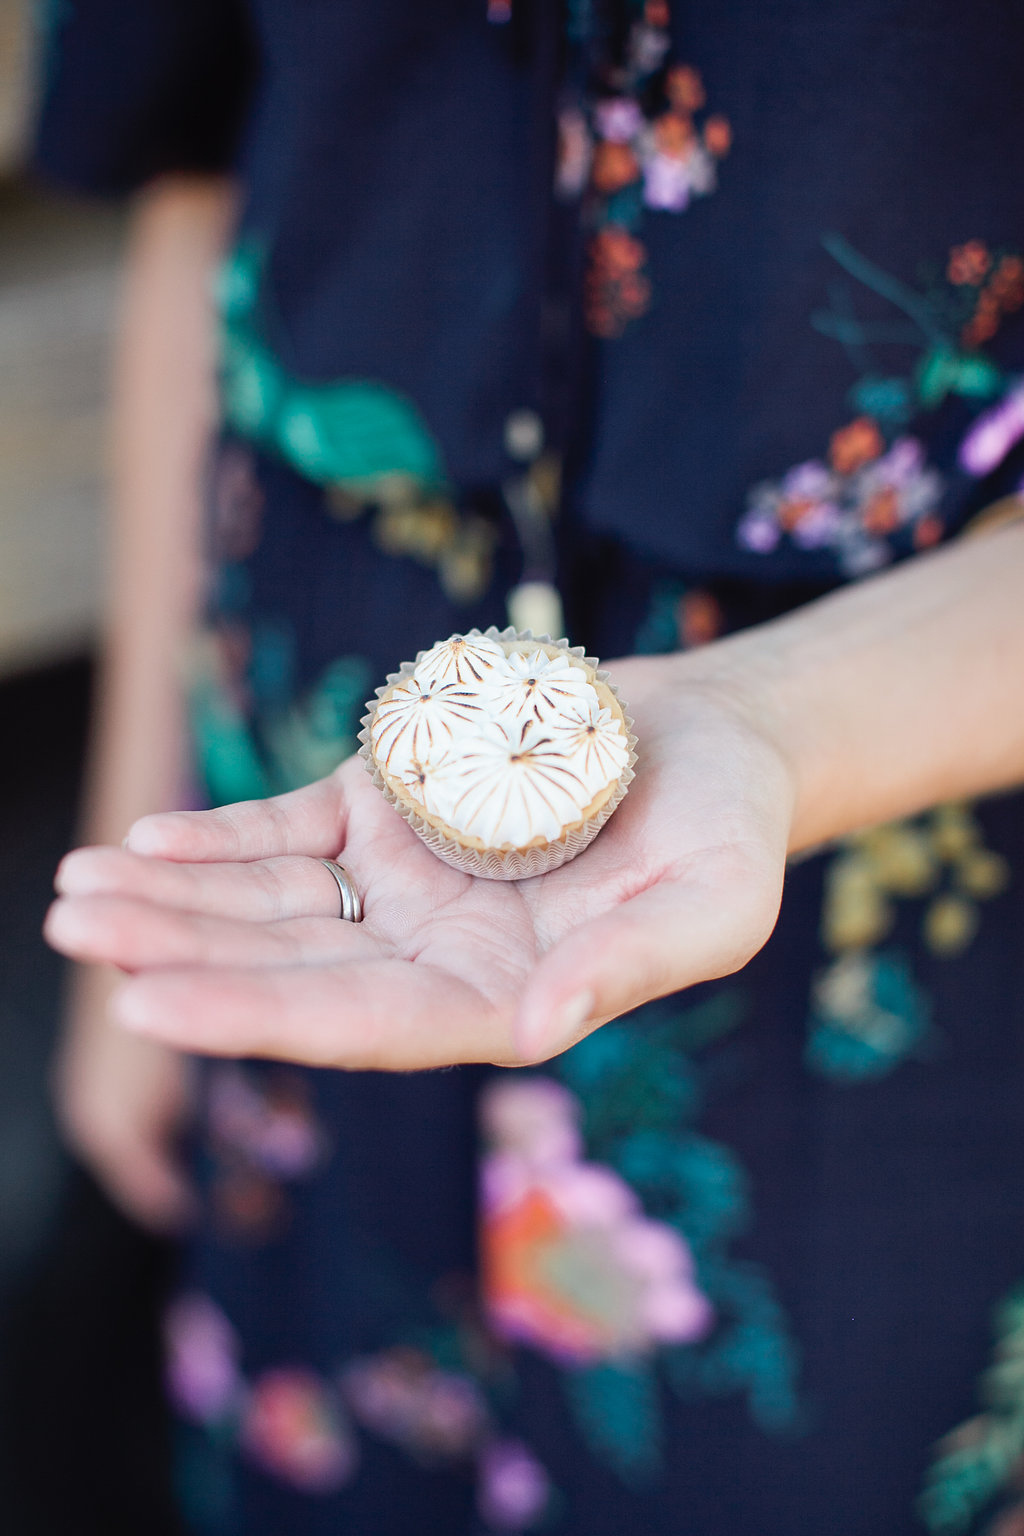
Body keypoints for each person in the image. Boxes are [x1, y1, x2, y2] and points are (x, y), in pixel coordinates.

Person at [35, 3, 1024, 1533]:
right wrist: (140, 848)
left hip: (904, 839)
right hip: (311, 804)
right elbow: (199, 155)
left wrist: (772, 723)